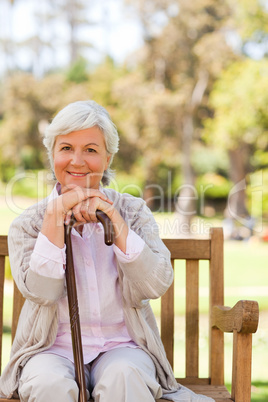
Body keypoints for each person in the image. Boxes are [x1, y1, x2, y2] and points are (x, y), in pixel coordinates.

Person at [0, 100, 214, 402]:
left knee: (124, 377)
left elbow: (155, 284)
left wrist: (115, 219)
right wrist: (54, 217)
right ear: (52, 155)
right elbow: (43, 293)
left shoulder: (133, 211)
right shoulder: (28, 224)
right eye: (65, 148)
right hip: (50, 349)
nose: (77, 160)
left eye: (90, 149)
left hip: (121, 346)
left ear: (108, 157)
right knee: (49, 385)